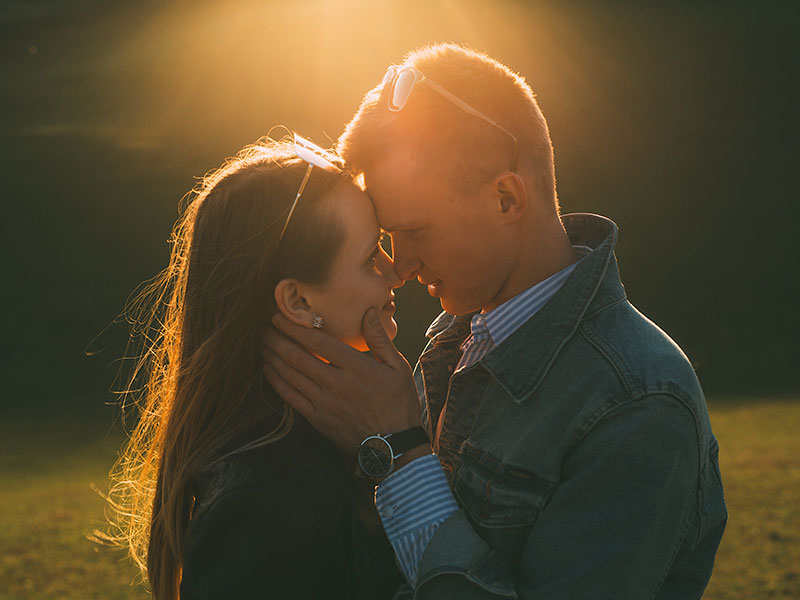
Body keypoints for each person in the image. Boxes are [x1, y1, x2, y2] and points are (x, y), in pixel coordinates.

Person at [262, 44, 728, 598]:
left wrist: (400, 450)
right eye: (388, 237)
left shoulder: (640, 403)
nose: (401, 266)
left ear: (506, 199)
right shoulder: (458, 338)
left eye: (414, 232)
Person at [99, 135, 404, 600]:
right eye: (369, 257)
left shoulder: (322, 432)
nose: (393, 272)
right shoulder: (262, 507)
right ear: (298, 301)